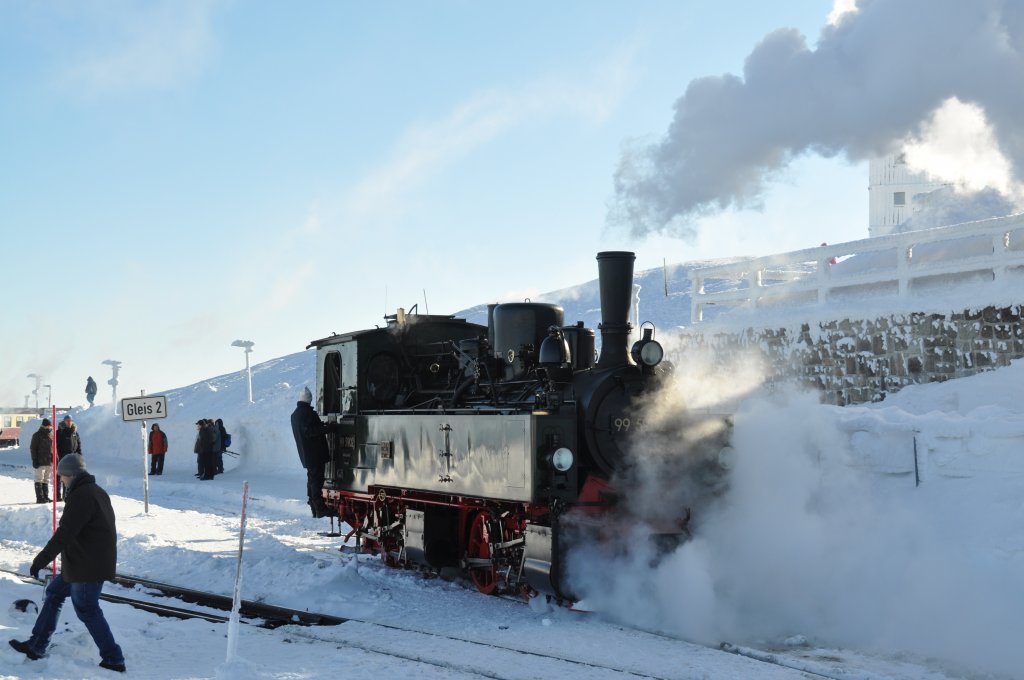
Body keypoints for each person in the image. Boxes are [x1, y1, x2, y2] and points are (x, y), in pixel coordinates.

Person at [8, 454, 126, 673]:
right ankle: (37, 644)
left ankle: (113, 658)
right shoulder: (94, 491)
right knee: (54, 594)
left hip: (87, 566)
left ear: (71, 475)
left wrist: (40, 561)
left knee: (87, 609)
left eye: (61, 476)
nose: (60, 479)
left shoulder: (83, 496)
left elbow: (65, 534)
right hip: (85, 561)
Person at [290, 386, 331, 517]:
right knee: (316, 481)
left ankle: (314, 507)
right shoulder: (307, 413)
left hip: (306, 454)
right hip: (316, 453)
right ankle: (320, 508)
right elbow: (310, 431)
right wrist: (328, 429)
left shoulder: (295, 415)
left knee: (312, 480)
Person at [55, 414, 83, 501]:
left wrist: (79, 458)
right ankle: (58, 496)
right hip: (62, 458)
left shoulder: (75, 433)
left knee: (70, 478)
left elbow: (78, 447)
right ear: (64, 421)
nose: (69, 422)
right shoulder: (59, 432)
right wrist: (57, 457)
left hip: (72, 459)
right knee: (60, 477)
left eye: (70, 421)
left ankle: (67, 495)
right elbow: (55, 446)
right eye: (67, 421)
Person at [29, 419, 54, 504]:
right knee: (39, 479)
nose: (49, 427)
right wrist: (34, 460)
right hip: (40, 462)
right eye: (48, 425)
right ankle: (39, 498)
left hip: (49, 462)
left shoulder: (51, 435)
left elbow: (53, 449)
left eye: (50, 426)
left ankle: (45, 497)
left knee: (46, 480)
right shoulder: (37, 435)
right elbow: (33, 448)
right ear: (44, 426)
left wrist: (54, 458)